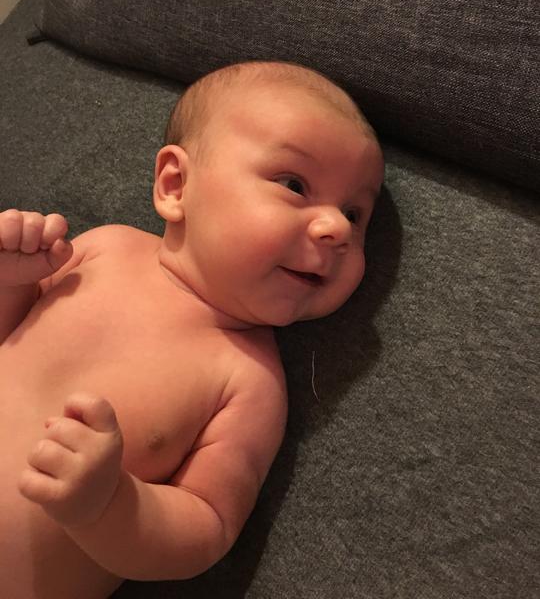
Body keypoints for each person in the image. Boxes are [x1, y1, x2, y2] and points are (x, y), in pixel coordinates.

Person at [0, 60, 384, 598]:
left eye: (356, 214)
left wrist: (110, 504)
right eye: (295, 185)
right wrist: (11, 280)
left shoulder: (249, 380)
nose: (337, 228)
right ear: (176, 185)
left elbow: (209, 525)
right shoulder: (104, 247)